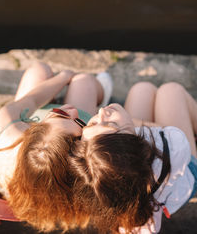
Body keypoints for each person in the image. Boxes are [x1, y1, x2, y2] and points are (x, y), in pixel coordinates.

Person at [0, 61, 113, 231]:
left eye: (60, 113)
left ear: (33, 130)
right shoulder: (85, 176)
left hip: (35, 117)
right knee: (83, 81)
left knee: (38, 70)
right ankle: (101, 94)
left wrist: (63, 77)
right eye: (79, 122)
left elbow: (32, 99)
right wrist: (69, 76)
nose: (71, 110)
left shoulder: (5, 129)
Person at [70, 81, 197, 233]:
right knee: (170, 91)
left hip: (159, 176)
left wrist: (126, 126)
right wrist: (137, 123)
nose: (102, 111)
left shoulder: (102, 180)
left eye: (92, 124)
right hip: (186, 172)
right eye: (111, 125)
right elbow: (174, 135)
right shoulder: (172, 146)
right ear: (133, 147)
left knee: (142, 89)